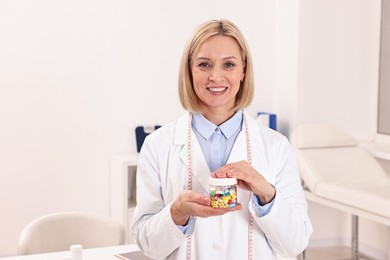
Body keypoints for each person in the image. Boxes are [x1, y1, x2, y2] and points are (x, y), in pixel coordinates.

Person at [131, 19, 313, 260]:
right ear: (189, 70)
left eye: (228, 64)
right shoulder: (157, 145)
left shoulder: (276, 146)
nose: (216, 77)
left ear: (243, 71)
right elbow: (146, 245)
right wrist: (176, 213)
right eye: (204, 64)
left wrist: (267, 195)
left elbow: (296, 243)